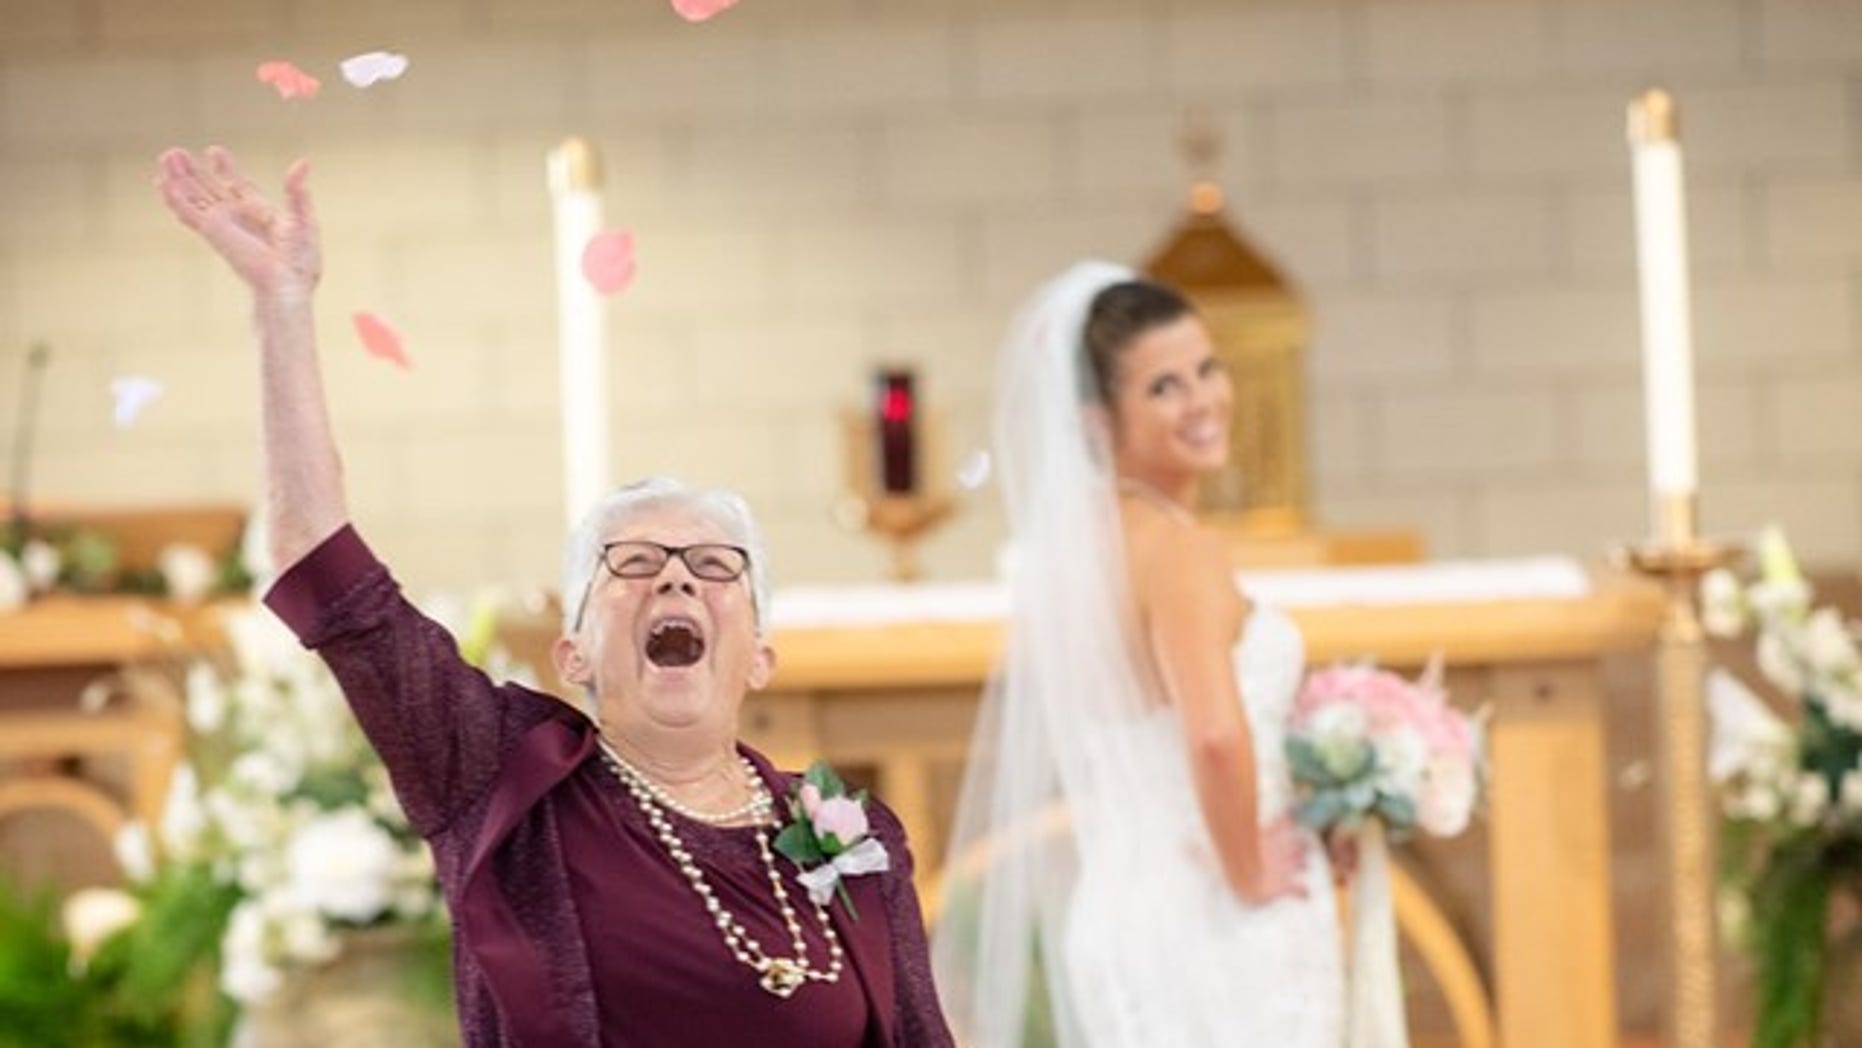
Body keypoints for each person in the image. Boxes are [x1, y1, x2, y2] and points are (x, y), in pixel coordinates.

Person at [155, 146, 953, 1048]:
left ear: (761, 654)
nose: (677, 576)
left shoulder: (853, 834)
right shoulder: (494, 775)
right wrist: (282, 305)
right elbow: (326, 572)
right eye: (634, 561)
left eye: (716, 565)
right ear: (571, 653)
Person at [932, 262, 1345, 1046]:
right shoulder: (1178, 548)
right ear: (1095, 418)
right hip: (1217, 906)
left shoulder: (1072, 549)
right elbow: (1216, 737)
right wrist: (1250, 872)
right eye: (1164, 387)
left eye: (1207, 369)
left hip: (1124, 910)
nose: (1203, 401)